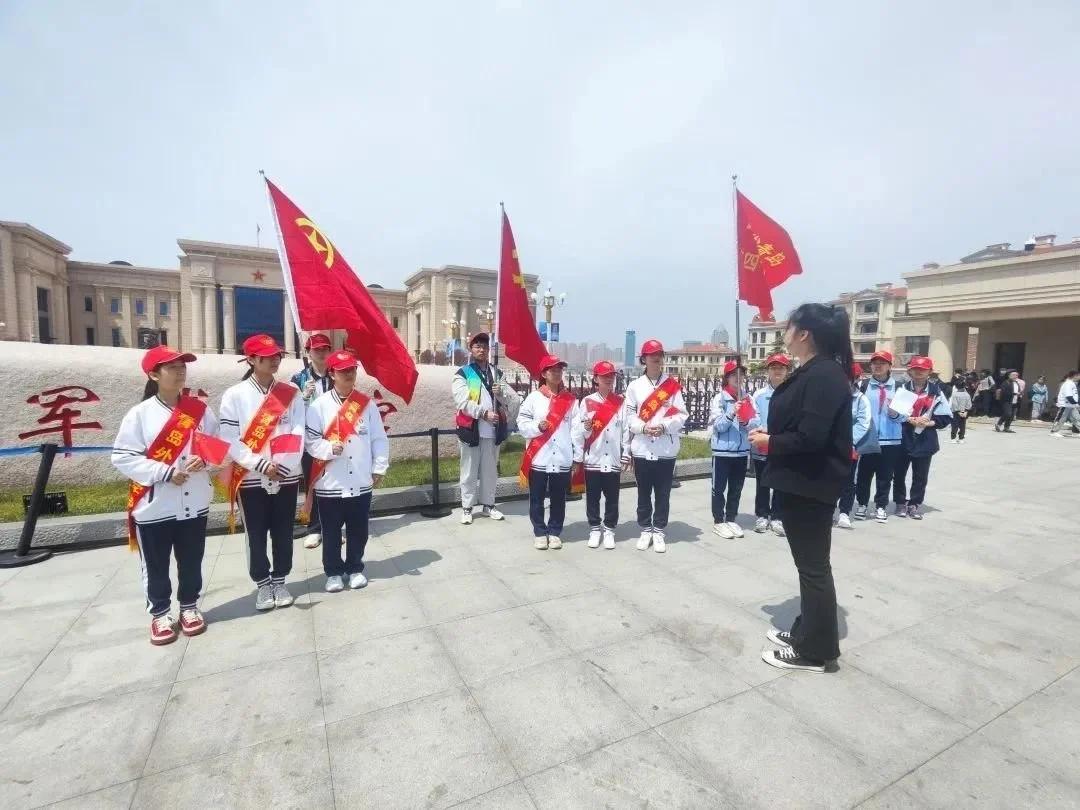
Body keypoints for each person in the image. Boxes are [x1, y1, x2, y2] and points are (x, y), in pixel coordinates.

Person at [749, 303, 853, 673]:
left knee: (813, 569)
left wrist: (769, 442)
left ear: (805, 333)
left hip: (811, 484)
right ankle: (805, 631)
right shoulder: (814, 371)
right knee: (808, 566)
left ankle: (816, 651)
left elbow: (811, 437)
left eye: (790, 327)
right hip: (801, 483)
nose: (787, 332)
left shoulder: (825, 374)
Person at [111, 346, 216, 645]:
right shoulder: (140, 415)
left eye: (183, 364)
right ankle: (159, 613)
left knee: (191, 559)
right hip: (155, 505)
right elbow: (123, 457)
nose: (180, 369)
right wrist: (164, 472)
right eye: (171, 366)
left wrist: (205, 459)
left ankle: (189, 607)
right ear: (154, 374)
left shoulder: (200, 410)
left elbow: (217, 443)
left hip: (194, 501)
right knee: (156, 563)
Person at [219, 334, 306, 612]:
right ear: (252, 360)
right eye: (267, 356)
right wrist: (259, 464)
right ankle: (262, 583)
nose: (274, 360)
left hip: (286, 474)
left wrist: (284, 464)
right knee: (255, 533)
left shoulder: (290, 392)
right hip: (251, 476)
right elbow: (230, 439)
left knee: (283, 530)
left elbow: (298, 431)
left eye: (277, 355)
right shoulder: (234, 395)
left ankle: (280, 580)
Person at [305, 350, 389, 592]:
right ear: (332, 374)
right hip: (330, 481)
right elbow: (311, 442)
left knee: (358, 529)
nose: (349, 374)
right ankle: (333, 572)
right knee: (331, 531)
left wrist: (379, 466)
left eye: (352, 369)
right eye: (343, 371)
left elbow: (379, 439)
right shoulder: (319, 406)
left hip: (361, 478)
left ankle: (354, 568)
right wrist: (329, 448)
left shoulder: (366, 405)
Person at [624, 339, 688, 553]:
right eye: (652, 354)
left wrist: (664, 426)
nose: (656, 357)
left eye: (659, 353)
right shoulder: (634, 386)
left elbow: (681, 414)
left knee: (662, 493)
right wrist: (642, 428)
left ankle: (659, 529)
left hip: (666, 449)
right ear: (644, 358)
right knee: (643, 492)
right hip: (642, 448)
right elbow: (629, 416)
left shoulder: (672, 386)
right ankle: (645, 528)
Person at [518, 355, 578, 550]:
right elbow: (522, 423)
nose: (557, 373)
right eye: (553, 370)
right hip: (539, 457)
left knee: (559, 499)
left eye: (560, 369)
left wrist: (577, 456)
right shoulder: (534, 398)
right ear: (544, 374)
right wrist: (538, 426)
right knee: (536, 498)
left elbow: (576, 430)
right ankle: (539, 532)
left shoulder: (570, 400)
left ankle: (554, 532)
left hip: (561, 458)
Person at [452, 332, 511, 525]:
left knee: (490, 471)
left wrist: (500, 392)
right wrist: (484, 413)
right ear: (471, 349)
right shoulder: (464, 373)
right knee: (468, 470)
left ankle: (489, 505)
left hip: (492, 431)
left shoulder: (496, 373)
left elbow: (508, 400)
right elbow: (462, 401)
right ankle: (467, 507)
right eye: (477, 346)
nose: (482, 350)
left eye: (485, 346)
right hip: (472, 430)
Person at [571, 360, 627, 549]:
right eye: (604, 376)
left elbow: (626, 430)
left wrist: (626, 453)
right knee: (593, 497)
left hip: (612, 458)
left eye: (611, 376)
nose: (609, 379)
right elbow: (579, 432)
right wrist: (585, 429)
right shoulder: (587, 402)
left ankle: (610, 529)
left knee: (612, 497)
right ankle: (595, 528)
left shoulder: (621, 402)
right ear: (596, 379)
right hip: (593, 458)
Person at [893, 356, 952, 519]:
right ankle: (899, 502)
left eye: (923, 369)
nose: (919, 372)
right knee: (898, 473)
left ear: (929, 372)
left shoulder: (936, 392)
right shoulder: (902, 389)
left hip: (925, 439)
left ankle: (914, 504)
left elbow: (946, 417)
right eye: (915, 369)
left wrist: (930, 422)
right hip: (902, 437)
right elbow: (894, 413)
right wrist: (910, 419)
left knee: (920, 476)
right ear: (910, 371)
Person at [290, 333, 333, 549]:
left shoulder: (336, 376)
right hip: (310, 440)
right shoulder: (298, 379)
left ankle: (333, 527)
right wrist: (303, 397)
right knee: (313, 482)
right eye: (317, 349)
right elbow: (288, 411)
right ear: (309, 352)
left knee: (334, 483)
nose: (322, 353)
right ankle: (315, 528)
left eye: (325, 349)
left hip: (334, 439)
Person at [853, 351, 907, 523]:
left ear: (889, 366)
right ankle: (861, 504)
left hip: (891, 440)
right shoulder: (863, 385)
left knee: (885, 476)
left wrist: (894, 414)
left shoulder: (900, 387)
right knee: (863, 474)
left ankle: (881, 506)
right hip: (868, 438)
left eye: (882, 363)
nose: (878, 366)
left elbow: (905, 415)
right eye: (875, 362)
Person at [708, 360, 753, 539]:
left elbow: (755, 422)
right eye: (734, 374)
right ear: (727, 378)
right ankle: (719, 520)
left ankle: (732, 517)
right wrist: (732, 412)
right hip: (722, 452)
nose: (737, 378)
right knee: (718, 488)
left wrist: (746, 422)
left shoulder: (747, 398)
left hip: (742, 451)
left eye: (740, 374)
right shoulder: (719, 398)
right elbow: (718, 425)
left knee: (736, 487)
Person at [749, 354, 790, 536]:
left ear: (786, 371)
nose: (777, 371)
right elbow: (753, 417)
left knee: (781, 482)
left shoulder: (792, 393)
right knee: (762, 482)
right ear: (768, 371)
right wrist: (762, 429)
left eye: (781, 367)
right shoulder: (758, 395)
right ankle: (762, 514)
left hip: (783, 445)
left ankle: (778, 516)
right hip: (762, 445)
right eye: (773, 367)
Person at [836, 363, 874, 530]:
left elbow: (863, 423)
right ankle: (827, 509)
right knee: (828, 479)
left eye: (851, 378)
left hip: (850, 445)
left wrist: (848, 441)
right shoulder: (830, 396)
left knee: (848, 479)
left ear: (858, 379)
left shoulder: (861, 399)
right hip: (829, 445)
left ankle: (844, 511)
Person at [1050, 371, 1080, 436]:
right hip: (1065, 405)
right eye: (1078, 375)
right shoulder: (1068, 384)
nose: (1079, 377)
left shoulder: (1072, 383)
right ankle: (1054, 432)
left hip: (1072, 405)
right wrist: (1075, 403)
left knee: (1077, 418)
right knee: (1061, 418)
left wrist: (1075, 404)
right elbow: (1068, 396)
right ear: (1075, 376)